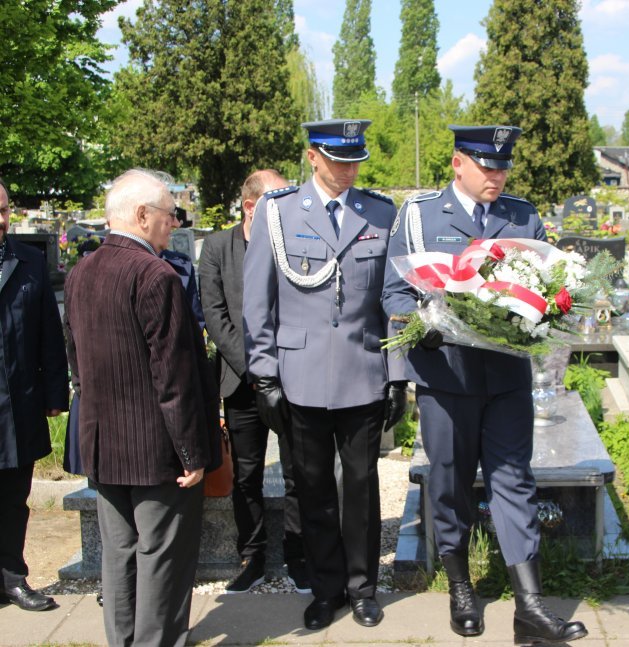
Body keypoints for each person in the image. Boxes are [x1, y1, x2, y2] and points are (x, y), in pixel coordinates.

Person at [382, 125, 588, 645]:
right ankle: (460, 589)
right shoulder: (420, 215)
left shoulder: (522, 216)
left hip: (506, 379)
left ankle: (531, 609)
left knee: (514, 482)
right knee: (449, 484)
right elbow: (394, 291)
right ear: (458, 163)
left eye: (503, 167)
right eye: (486, 166)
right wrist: (422, 328)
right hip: (446, 375)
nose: (497, 176)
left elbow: (545, 287)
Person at [243, 120, 405, 630]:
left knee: (360, 489)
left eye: (356, 160)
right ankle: (325, 588)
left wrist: (398, 375)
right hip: (300, 377)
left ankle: (362, 589)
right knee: (311, 490)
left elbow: (393, 300)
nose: (349, 170)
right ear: (313, 156)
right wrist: (265, 376)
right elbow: (257, 301)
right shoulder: (278, 212)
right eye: (339, 160)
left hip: (363, 373)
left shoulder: (379, 211)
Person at [64, 169, 221, 646]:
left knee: (120, 552)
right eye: (168, 215)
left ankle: (125, 641)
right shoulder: (157, 276)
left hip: (102, 442)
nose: (173, 224)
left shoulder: (79, 274)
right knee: (161, 555)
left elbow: (77, 362)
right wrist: (193, 454)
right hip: (157, 449)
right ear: (140, 215)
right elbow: (172, 376)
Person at [199, 169, 307, 594]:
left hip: (292, 379)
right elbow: (215, 314)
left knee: (299, 470)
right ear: (251, 206)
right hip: (242, 381)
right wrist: (256, 370)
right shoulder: (217, 248)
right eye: (278, 200)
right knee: (246, 474)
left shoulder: (294, 242)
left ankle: (298, 556)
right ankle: (253, 555)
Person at [0, 178, 69, 612]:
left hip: (18, 404)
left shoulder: (28, 263)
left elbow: (49, 335)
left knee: (13, 499)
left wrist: (54, 393)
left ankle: (12, 578)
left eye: (4, 209)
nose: (0, 218)